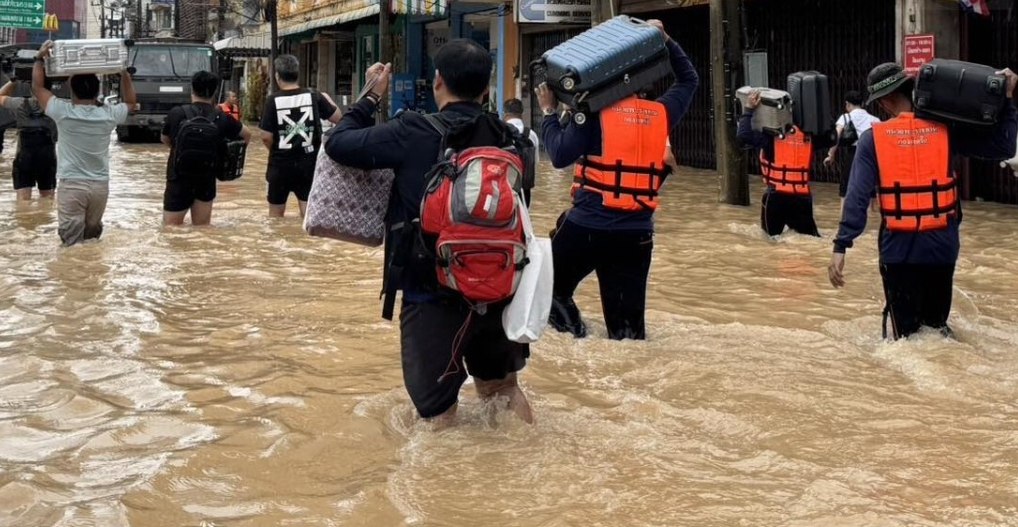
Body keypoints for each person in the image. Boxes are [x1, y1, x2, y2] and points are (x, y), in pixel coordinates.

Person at [324, 39, 534, 425]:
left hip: (431, 291)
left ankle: (438, 484)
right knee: (502, 389)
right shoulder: (513, 140)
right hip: (499, 286)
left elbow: (338, 144)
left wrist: (371, 96)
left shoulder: (412, 131)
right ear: (487, 89)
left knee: (437, 412)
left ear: (438, 81)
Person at [828, 63, 1017, 340]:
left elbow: (857, 197)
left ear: (886, 100)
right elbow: (1004, 146)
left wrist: (841, 244)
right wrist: (1009, 100)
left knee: (907, 341)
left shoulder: (873, 140)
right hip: (942, 250)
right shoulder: (946, 129)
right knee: (936, 331)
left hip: (899, 253)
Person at [536, 20, 698, 340]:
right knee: (627, 335)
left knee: (548, 291)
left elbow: (558, 155)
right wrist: (665, 39)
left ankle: (577, 341)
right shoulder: (661, 113)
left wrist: (548, 113)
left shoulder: (593, 117)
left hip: (587, 228)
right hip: (636, 234)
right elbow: (689, 79)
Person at [32, 40, 135, 247]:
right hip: (100, 187)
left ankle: (75, 277)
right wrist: (123, 72)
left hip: (72, 185)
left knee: (71, 245)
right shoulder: (108, 114)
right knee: (91, 240)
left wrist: (38, 58)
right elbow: (131, 102)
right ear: (97, 92)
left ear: (72, 90)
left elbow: (37, 87)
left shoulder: (62, 112)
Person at [161, 71, 251, 226]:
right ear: (215, 92)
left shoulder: (177, 113)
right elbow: (247, 135)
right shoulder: (221, 117)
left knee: (171, 230)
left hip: (178, 178)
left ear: (192, 89)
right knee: (202, 229)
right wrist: (226, 155)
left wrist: (179, 149)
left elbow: (165, 139)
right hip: (206, 178)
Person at [259, 55, 341, 218]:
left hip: (280, 165)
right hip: (308, 164)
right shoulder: (314, 96)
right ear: (297, 74)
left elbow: (265, 137)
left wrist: (277, 149)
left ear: (277, 76)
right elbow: (339, 118)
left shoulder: (271, 100)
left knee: (275, 216)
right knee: (308, 214)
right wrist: (329, 100)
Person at [737, 90, 822, 238]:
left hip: (776, 197)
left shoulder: (770, 138)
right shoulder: (809, 137)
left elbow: (743, 136)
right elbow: (832, 136)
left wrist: (748, 109)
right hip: (802, 199)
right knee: (811, 239)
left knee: (769, 240)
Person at [0, 79, 58, 200]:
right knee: (47, 199)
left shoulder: (19, 103)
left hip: (24, 156)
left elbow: (0, 95)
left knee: (23, 200)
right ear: (50, 89)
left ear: (32, 89)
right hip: (47, 157)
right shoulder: (57, 106)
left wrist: (13, 81)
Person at [824, 90, 880, 199]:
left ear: (847, 104)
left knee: (845, 193)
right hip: (870, 157)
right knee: (869, 195)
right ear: (862, 103)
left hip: (853, 156)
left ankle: (844, 216)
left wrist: (831, 155)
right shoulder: (875, 120)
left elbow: (837, 136)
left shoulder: (845, 117)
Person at [503, 98, 539, 206]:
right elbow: (535, 162)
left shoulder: (499, 131)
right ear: (522, 113)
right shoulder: (531, 134)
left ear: (505, 113)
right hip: (525, 188)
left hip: (504, 186)